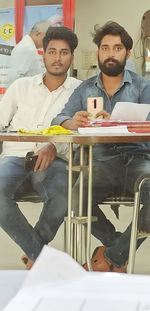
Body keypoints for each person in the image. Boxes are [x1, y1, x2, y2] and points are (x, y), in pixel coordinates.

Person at [52, 21, 150, 273]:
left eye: (117, 48)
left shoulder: (142, 86)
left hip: (137, 158)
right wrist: (73, 121)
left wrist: (122, 123)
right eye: (105, 48)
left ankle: (113, 256)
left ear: (127, 53)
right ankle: (116, 249)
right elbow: (58, 119)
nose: (110, 53)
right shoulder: (85, 88)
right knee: (72, 200)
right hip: (100, 162)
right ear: (98, 52)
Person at [0, 26, 81, 269]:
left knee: (63, 197)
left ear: (72, 57)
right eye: (52, 51)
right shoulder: (20, 87)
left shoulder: (81, 90)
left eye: (64, 52)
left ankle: (36, 256)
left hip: (53, 160)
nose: (57, 58)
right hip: (14, 157)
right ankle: (41, 257)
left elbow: (81, 134)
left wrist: (55, 147)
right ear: (42, 54)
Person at [8, 20, 52, 85]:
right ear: (38, 34)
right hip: (23, 92)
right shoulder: (27, 48)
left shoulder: (28, 46)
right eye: (47, 38)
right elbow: (18, 77)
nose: (48, 42)